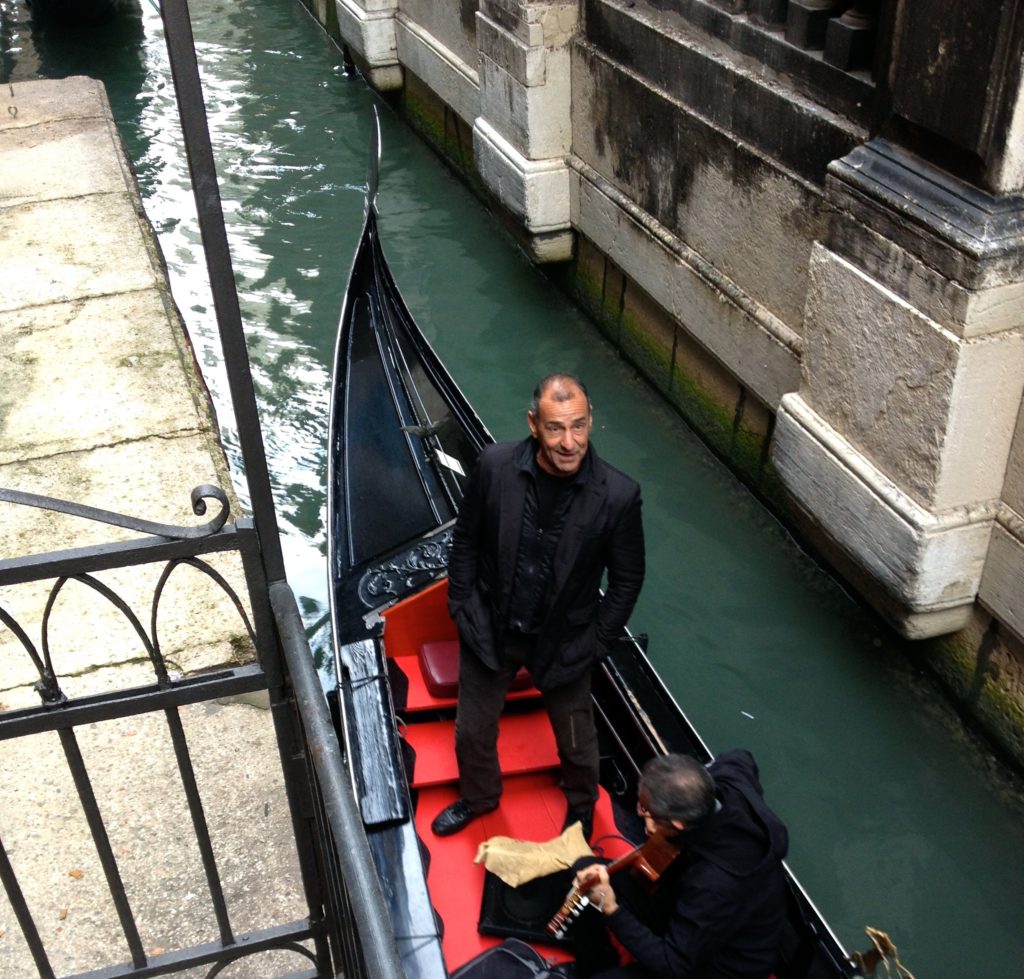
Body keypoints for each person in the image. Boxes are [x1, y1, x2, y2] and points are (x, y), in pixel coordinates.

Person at [431, 373, 645, 841]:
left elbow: (627, 581)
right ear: (533, 424)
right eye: (555, 428)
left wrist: (596, 644)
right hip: (492, 626)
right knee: (473, 730)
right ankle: (480, 797)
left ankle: (583, 807)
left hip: (566, 640)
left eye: (579, 426)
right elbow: (466, 539)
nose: (569, 442)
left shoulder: (619, 496)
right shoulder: (493, 466)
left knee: (577, 738)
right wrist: (462, 602)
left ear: (590, 423)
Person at [570, 751, 790, 978]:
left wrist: (611, 909)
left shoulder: (713, 883)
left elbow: (675, 965)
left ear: (678, 824)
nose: (647, 828)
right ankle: (597, 960)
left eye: (649, 815)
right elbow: (742, 757)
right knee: (585, 871)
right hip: (693, 901)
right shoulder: (730, 776)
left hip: (720, 965)